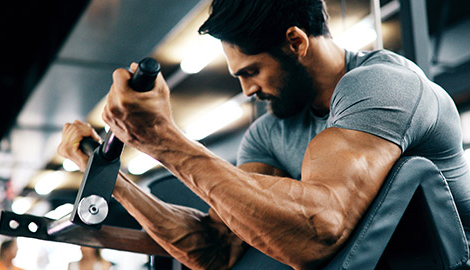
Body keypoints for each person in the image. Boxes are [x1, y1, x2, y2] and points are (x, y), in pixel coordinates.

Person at [58, 0, 470, 269]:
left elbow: (318, 232)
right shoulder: (268, 133)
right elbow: (216, 249)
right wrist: (110, 177)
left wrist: (164, 139)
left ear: (295, 41)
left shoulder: (382, 86)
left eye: (251, 71)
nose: (247, 91)